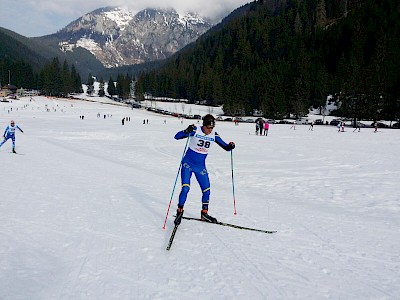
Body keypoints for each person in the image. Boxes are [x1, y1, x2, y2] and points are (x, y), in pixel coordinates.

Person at [173, 114, 235, 225]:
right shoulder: (195, 130)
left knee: (207, 190)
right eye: (208, 128)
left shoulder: (214, 135)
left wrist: (230, 146)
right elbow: (176, 136)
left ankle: (204, 213)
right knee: (186, 189)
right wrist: (187, 131)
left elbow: (226, 147)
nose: (210, 130)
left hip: (200, 167)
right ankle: (179, 211)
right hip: (188, 165)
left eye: (212, 128)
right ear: (204, 125)